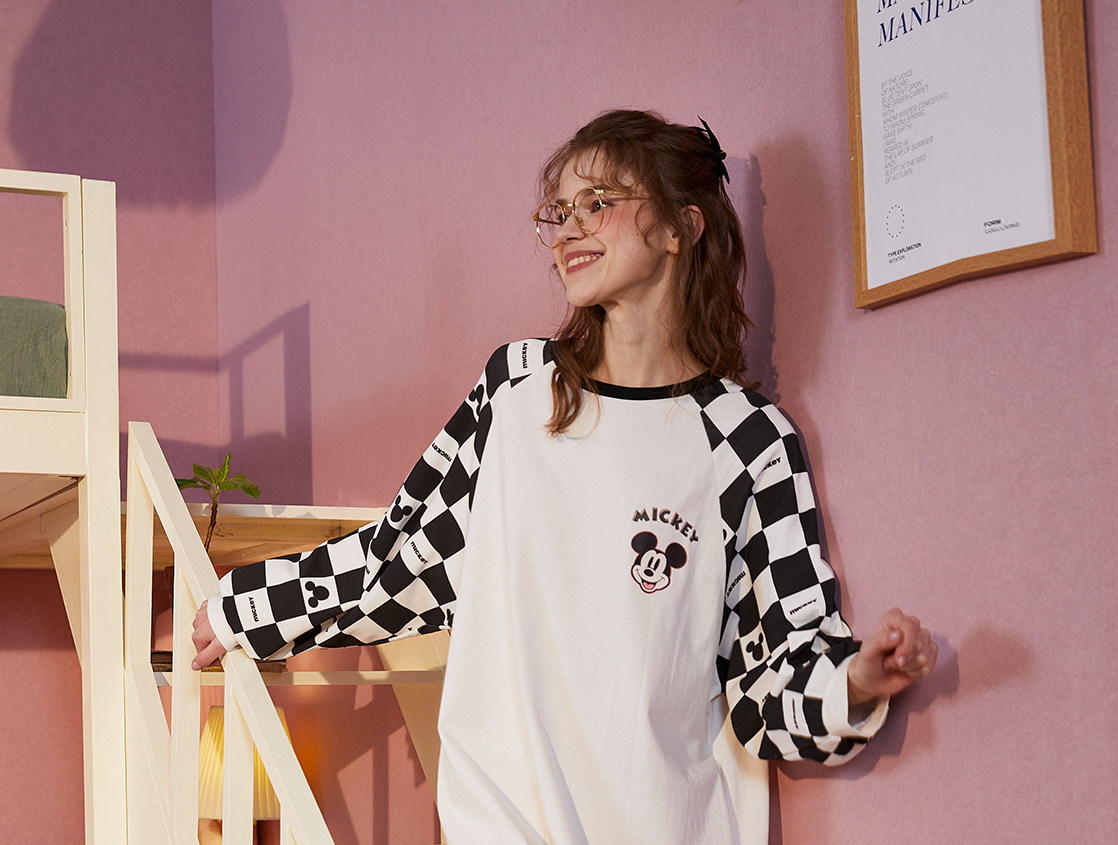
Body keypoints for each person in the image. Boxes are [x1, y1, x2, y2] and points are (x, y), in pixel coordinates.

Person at [191, 109, 937, 844]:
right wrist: (242, 608)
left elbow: (771, 678)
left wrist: (857, 681)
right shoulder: (517, 394)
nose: (568, 230)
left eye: (599, 202)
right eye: (560, 211)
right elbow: (405, 562)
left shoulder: (747, 441)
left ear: (680, 227)